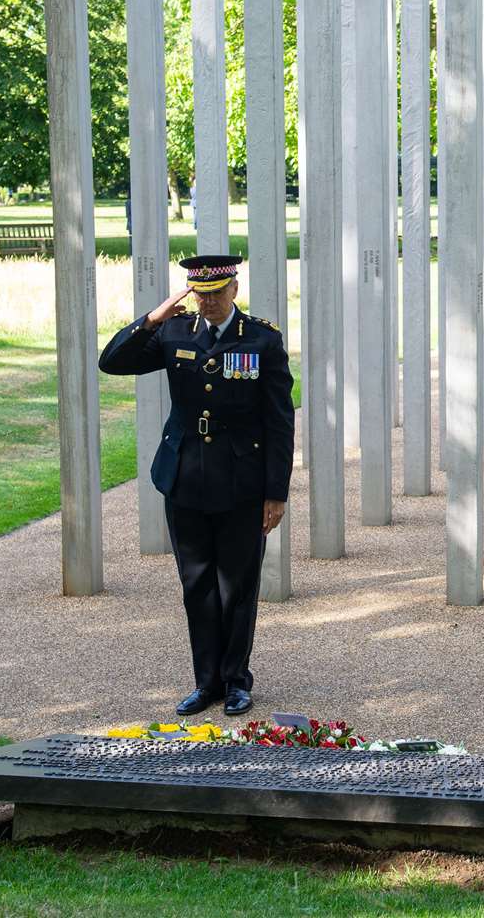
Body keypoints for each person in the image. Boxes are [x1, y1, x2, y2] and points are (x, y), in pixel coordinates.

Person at [98, 255, 296, 718]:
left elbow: (279, 422)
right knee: (197, 585)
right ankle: (204, 682)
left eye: (215, 293)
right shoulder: (174, 332)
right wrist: (153, 318)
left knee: (237, 587)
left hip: (241, 482)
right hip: (184, 477)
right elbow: (113, 362)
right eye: (199, 294)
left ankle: (235, 682)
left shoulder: (262, 340)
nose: (207, 302)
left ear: (233, 289)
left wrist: (276, 492)